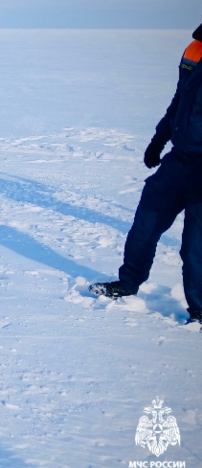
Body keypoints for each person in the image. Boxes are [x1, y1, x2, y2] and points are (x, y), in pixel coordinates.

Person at [90, 24, 202, 326]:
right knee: (144, 225)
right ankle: (128, 283)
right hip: (178, 161)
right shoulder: (195, 50)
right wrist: (158, 141)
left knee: (195, 245)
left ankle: (200, 311)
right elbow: (179, 102)